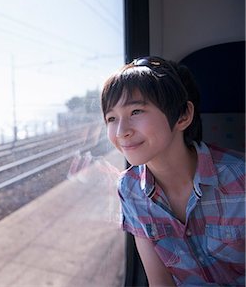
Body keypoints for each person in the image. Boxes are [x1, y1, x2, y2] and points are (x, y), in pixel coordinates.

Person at [100, 56, 245, 286]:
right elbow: (160, 282)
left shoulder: (240, 178)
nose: (121, 131)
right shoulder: (129, 189)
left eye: (136, 111)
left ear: (183, 115)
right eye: (111, 118)